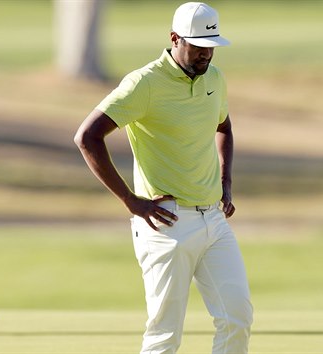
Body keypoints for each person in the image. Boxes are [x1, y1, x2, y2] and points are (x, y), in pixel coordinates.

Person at [74, 2, 253, 353]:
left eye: (211, 46)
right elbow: (87, 136)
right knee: (164, 334)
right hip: (166, 225)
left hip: (213, 221)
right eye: (198, 46)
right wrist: (130, 201)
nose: (206, 55)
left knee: (237, 318)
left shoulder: (214, 78)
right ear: (174, 38)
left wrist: (225, 182)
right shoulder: (145, 83)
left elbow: (223, 126)